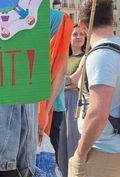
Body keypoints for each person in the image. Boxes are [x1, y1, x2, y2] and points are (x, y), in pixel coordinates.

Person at [69, 0, 120, 177]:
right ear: (113, 20)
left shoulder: (101, 56)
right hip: (115, 151)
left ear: (82, 24)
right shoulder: (112, 52)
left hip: (101, 152)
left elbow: (98, 112)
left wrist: (81, 150)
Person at [39, 8, 74, 145]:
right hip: (47, 107)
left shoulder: (58, 19)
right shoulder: (58, 18)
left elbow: (60, 69)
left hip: (48, 107)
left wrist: (46, 111)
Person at [58, 24, 86, 177]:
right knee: (61, 144)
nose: (78, 37)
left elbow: (76, 80)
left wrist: (60, 82)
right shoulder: (64, 57)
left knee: (73, 141)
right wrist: (65, 82)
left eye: (81, 34)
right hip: (61, 100)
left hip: (74, 101)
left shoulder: (85, 57)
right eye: (75, 34)